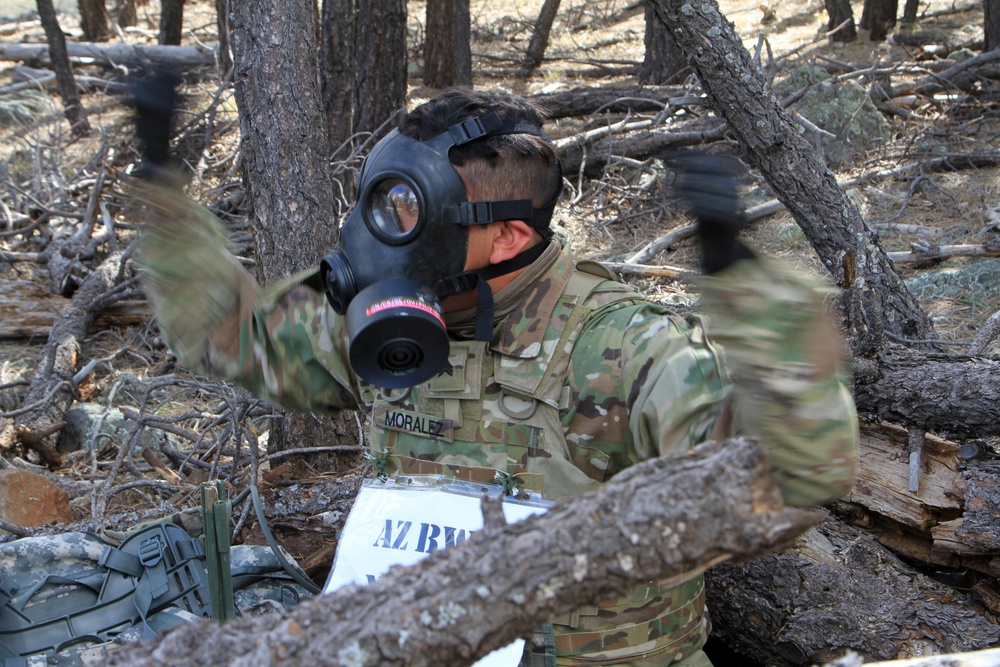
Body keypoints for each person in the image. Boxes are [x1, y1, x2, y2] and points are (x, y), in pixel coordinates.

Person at [135, 86, 858, 666]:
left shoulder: (622, 348)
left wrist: (748, 293)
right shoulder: (394, 319)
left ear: (508, 234)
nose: (383, 235)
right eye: (384, 205)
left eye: (416, 216)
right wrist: (163, 190)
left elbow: (786, 481)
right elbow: (237, 338)